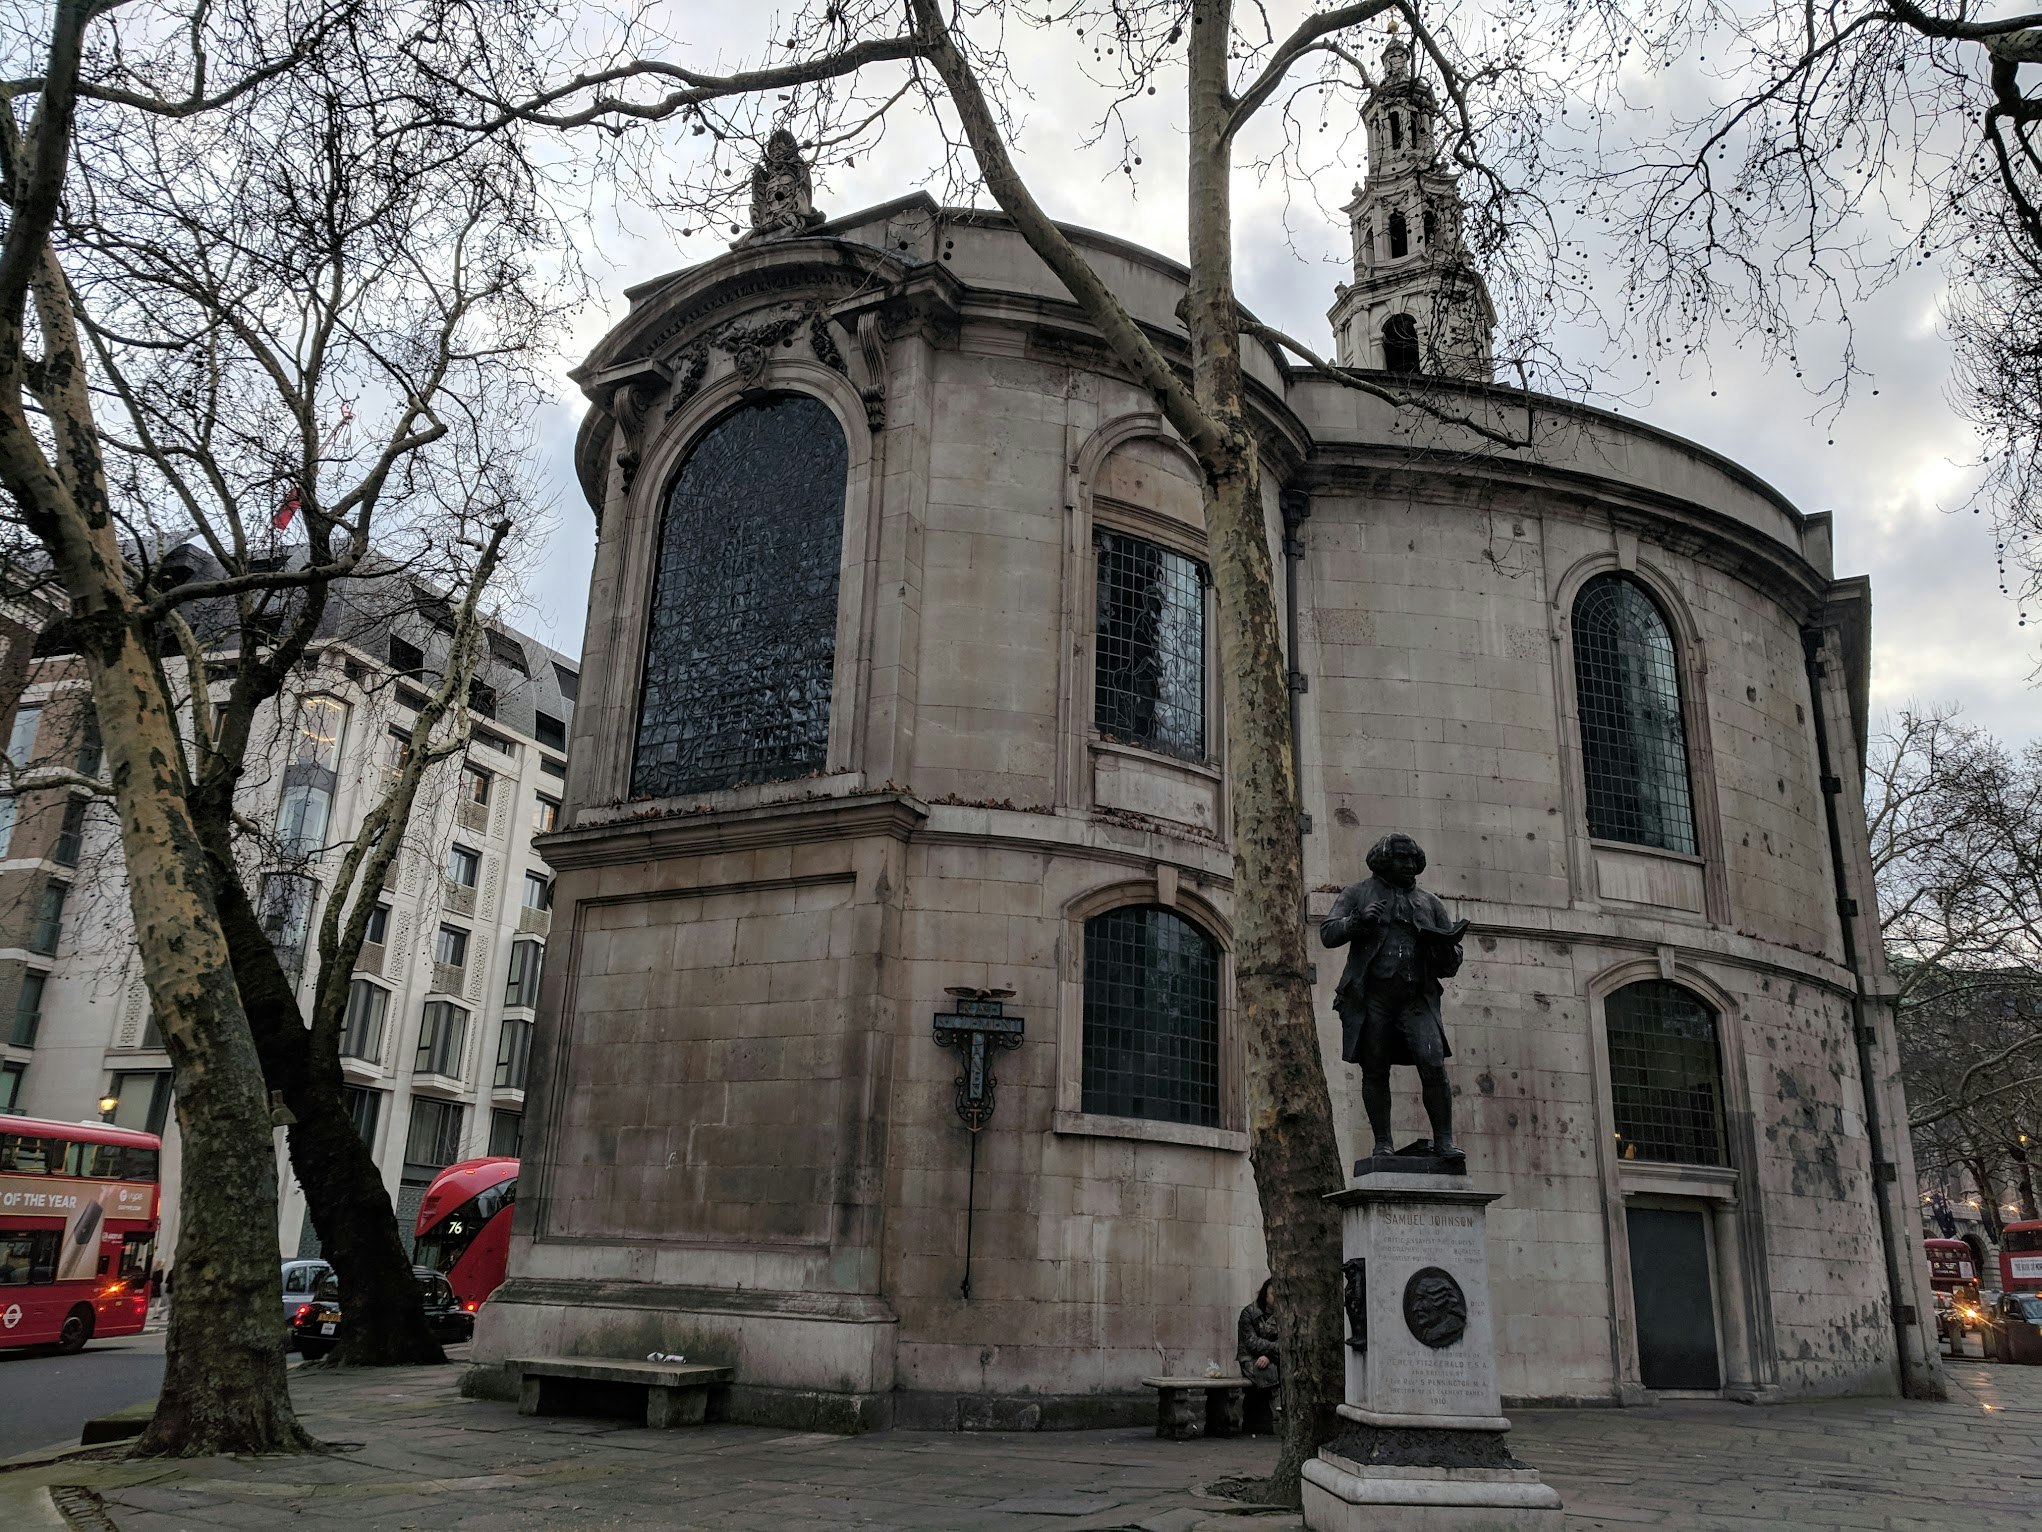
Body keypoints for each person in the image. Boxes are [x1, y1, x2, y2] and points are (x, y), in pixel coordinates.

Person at [1320, 833, 1470, 1163]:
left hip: (1417, 999)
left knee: (1433, 1065)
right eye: (1402, 859)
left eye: (1414, 860)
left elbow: (1452, 962)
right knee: (1375, 1070)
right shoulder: (1358, 893)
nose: (1409, 865)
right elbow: (1328, 933)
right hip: (1373, 999)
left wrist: (1446, 948)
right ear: (1384, 861)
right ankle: (1383, 1143)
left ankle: (1444, 1141)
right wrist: (1356, 922)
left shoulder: (1430, 903)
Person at [1238, 1277, 1281, 1391]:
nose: (1277, 1298)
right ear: (1265, 1294)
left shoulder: (1284, 1314)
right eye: (1273, 1294)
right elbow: (1252, 1342)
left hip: (1275, 1358)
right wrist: (1277, 1348)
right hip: (1251, 1359)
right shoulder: (1249, 1313)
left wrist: (1269, 1357)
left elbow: (1286, 1341)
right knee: (1267, 1373)